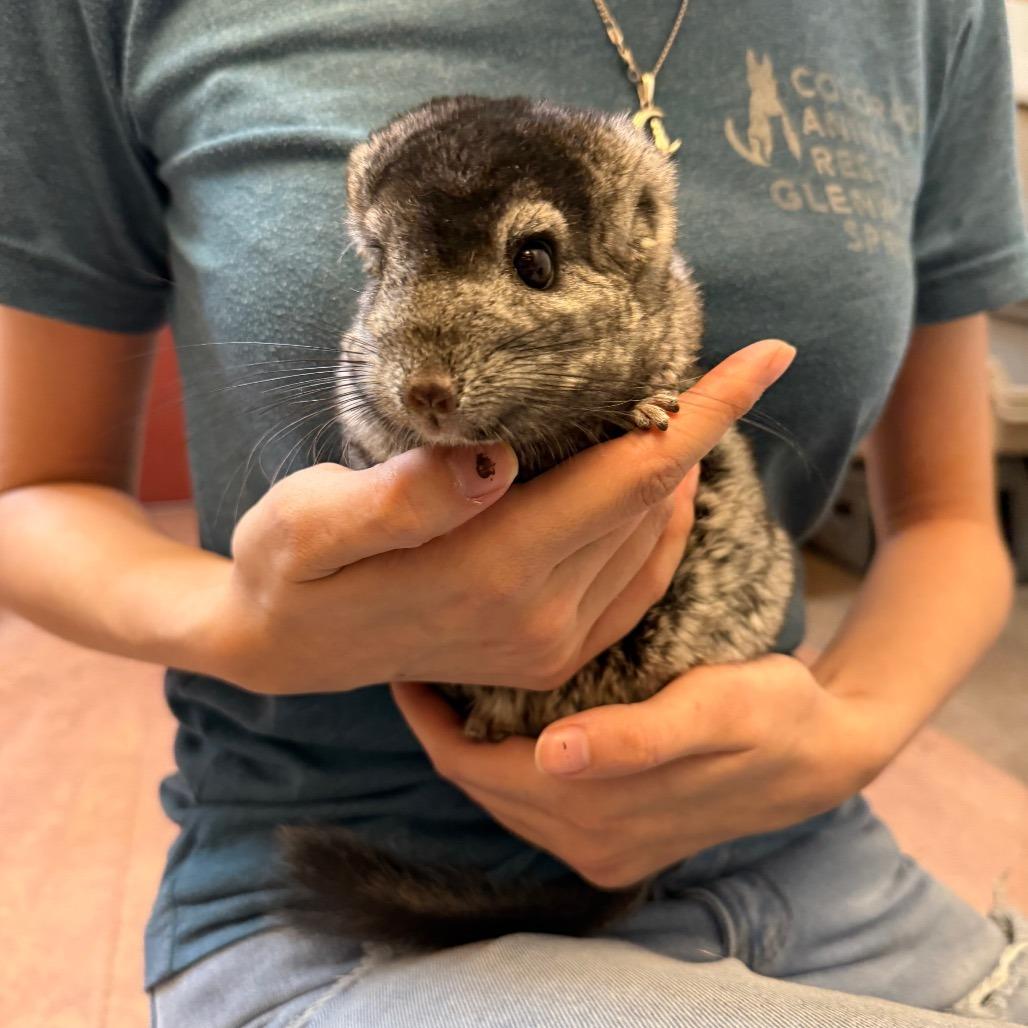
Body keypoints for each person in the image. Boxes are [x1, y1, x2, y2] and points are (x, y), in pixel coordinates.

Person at [2, 1, 1027, 1025]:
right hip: (357, 890)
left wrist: (843, 735)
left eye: (530, 262)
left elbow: (947, 520)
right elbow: (29, 493)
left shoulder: (927, 16)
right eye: (389, 263)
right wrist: (246, 625)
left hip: (809, 851)